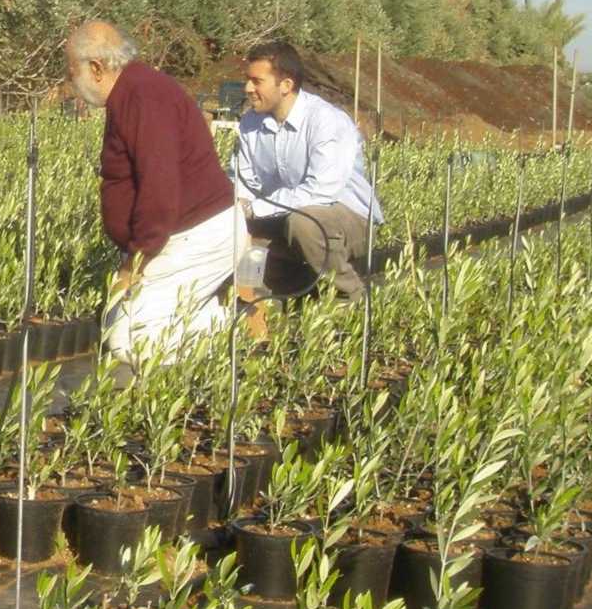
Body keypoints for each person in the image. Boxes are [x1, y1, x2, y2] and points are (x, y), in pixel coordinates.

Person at [68, 21, 243, 373]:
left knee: (129, 339)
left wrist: (135, 263)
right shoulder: (134, 92)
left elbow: (159, 188)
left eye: (73, 71)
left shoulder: (143, 97)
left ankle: (235, 325)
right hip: (181, 236)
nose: (71, 81)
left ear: (97, 68)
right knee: (116, 322)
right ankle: (213, 310)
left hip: (197, 235)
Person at [233, 40, 382, 299]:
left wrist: (253, 208)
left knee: (303, 224)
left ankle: (351, 298)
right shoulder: (250, 123)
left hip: (347, 217)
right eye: (248, 80)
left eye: (257, 81)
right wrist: (236, 209)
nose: (248, 88)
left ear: (286, 86)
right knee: (236, 230)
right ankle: (284, 304)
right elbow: (242, 181)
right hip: (284, 214)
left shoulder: (326, 121)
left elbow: (320, 192)